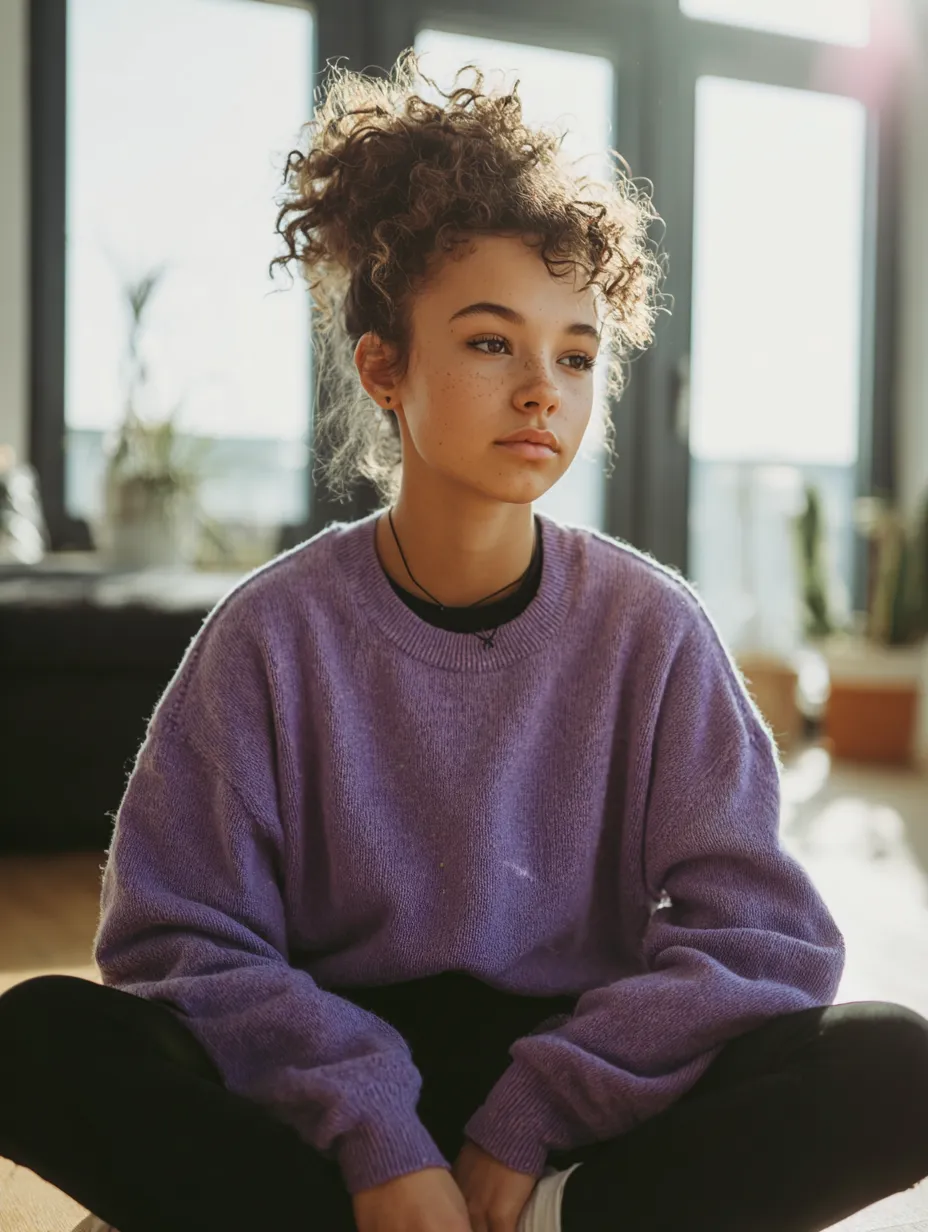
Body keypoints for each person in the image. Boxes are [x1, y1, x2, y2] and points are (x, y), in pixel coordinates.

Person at [1, 47, 927, 1232]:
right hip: (322, 1082)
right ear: (383, 366)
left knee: (894, 1063)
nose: (544, 388)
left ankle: (538, 1216)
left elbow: (764, 938)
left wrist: (530, 1114)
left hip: (570, 1088)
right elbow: (176, 937)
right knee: (31, 1037)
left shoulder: (653, 632)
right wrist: (377, 1132)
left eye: (576, 354)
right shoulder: (270, 635)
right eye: (492, 342)